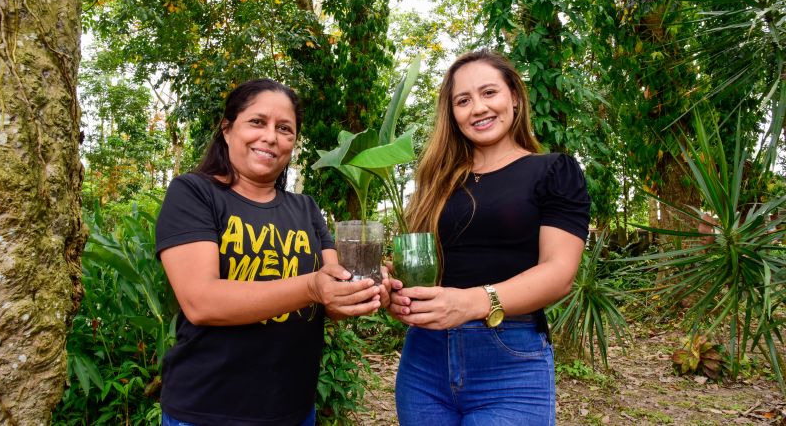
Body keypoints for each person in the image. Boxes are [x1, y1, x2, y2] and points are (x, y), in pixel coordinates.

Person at [155, 78, 389, 426]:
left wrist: (368, 291)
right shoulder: (194, 193)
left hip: (293, 411)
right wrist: (311, 287)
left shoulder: (306, 208)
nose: (271, 137)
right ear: (227, 129)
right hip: (207, 410)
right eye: (257, 122)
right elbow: (200, 301)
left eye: (284, 129)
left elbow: (333, 299)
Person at [389, 50, 591, 425]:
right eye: (463, 101)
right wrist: (396, 292)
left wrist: (470, 303)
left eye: (489, 93)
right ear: (452, 114)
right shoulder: (437, 182)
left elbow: (560, 273)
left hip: (509, 361)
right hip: (424, 360)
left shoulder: (552, 171)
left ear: (514, 96)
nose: (478, 108)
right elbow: (428, 270)